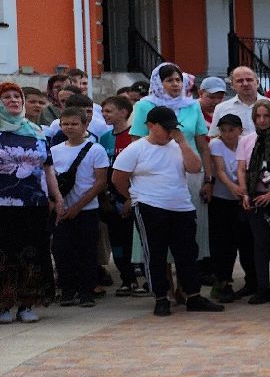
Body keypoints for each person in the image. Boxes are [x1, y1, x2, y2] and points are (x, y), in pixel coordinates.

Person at [111, 106, 223, 316]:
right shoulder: (136, 149)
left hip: (181, 207)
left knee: (188, 253)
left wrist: (182, 142)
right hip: (149, 207)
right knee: (155, 254)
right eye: (166, 128)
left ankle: (193, 295)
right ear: (150, 126)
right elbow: (118, 178)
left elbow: (194, 167)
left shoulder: (178, 146)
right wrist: (133, 197)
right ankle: (161, 297)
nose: (170, 132)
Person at [0, 82, 59, 322]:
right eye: (6, 97)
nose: (13, 100)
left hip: (34, 204)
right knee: (4, 254)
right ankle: (3, 305)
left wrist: (57, 197)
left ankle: (27, 303)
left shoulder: (36, 130)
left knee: (32, 253)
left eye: (17, 96)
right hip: (3, 205)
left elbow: (48, 167)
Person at [49, 105, 110, 307]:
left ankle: (87, 291)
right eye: (65, 124)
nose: (69, 127)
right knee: (61, 250)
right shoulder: (54, 150)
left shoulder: (96, 149)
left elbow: (100, 182)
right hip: (61, 211)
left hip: (87, 210)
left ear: (85, 124)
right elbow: (49, 180)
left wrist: (78, 206)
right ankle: (67, 289)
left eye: (74, 123)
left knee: (86, 251)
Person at [238, 100, 270, 304]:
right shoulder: (247, 140)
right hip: (255, 196)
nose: (262, 120)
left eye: (266, 116)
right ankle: (261, 287)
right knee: (259, 244)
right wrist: (245, 193)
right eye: (258, 116)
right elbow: (242, 168)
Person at [99, 95, 142, 296]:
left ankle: (141, 278)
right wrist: (107, 198)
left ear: (124, 112)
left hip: (132, 197)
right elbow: (103, 172)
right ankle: (126, 279)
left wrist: (130, 199)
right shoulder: (104, 138)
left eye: (109, 111)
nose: (104, 115)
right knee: (117, 241)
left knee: (134, 240)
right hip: (111, 200)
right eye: (103, 111)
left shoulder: (135, 137)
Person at [205, 113, 249, 301]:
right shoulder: (216, 144)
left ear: (240, 130)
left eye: (231, 130)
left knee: (242, 239)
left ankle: (251, 279)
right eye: (223, 130)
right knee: (222, 242)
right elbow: (220, 170)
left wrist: (243, 191)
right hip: (222, 198)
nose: (227, 134)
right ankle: (222, 280)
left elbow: (245, 168)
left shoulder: (246, 143)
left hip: (242, 197)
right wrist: (233, 188)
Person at [214, 66, 270, 138]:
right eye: (240, 81)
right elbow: (214, 136)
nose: (245, 84)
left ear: (257, 82)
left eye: (249, 80)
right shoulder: (221, 108)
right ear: (232, 85)